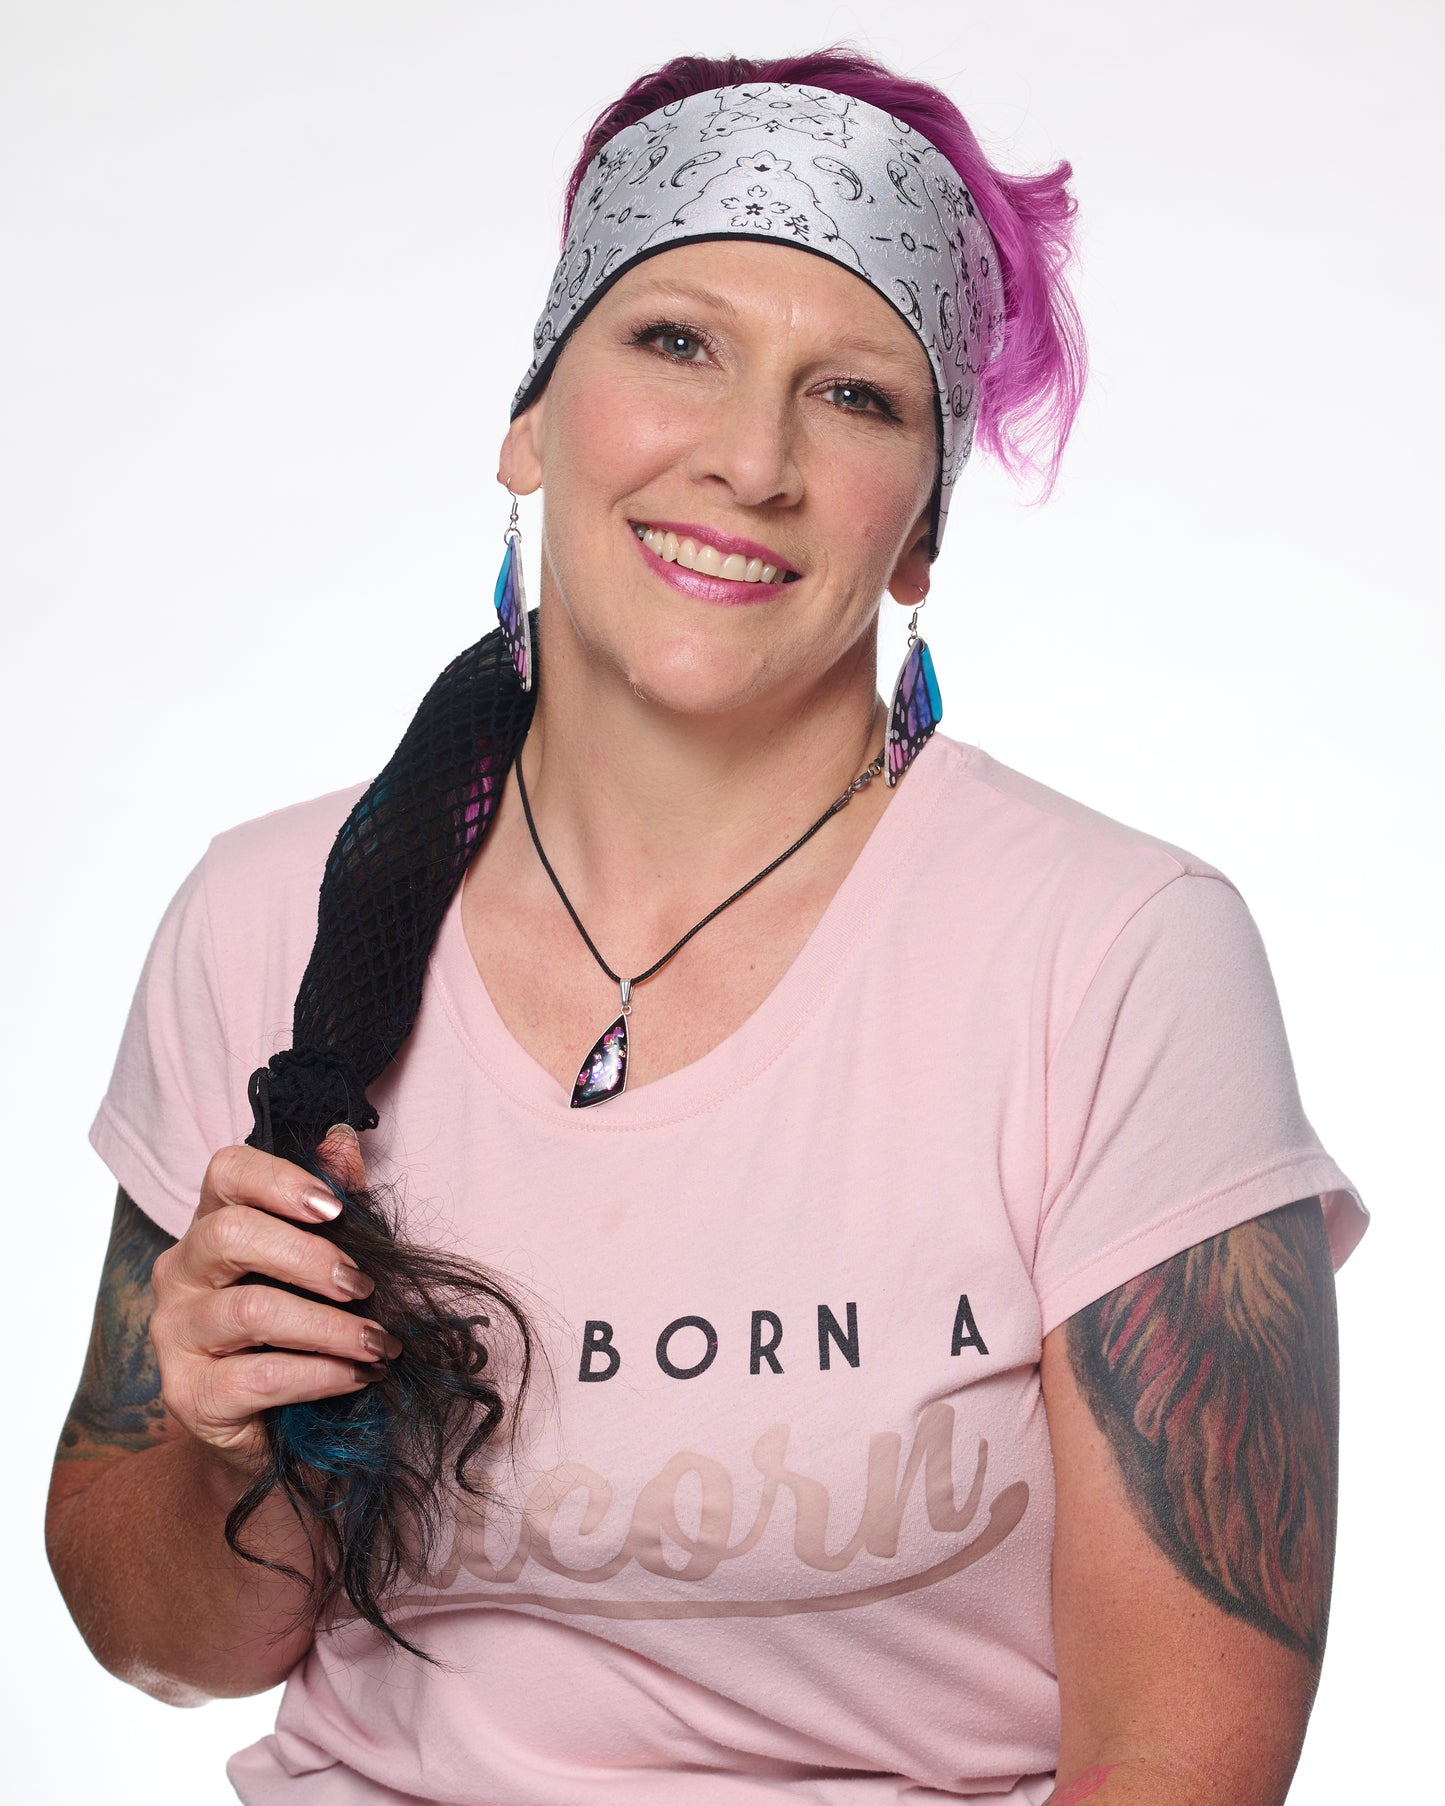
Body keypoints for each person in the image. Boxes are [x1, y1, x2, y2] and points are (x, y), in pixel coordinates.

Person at [46, 47, 1367, 1806]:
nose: (748, 458)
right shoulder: (270, 921)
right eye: (674, 343)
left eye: (854, 396)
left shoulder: (1114, 953)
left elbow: (1184, 1765)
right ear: (532, 415)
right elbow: (166, 1643)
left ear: (919, 536)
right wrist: (220, 1426)